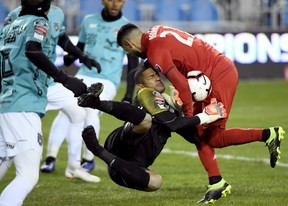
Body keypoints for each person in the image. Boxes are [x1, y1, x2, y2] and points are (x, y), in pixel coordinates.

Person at [116, 23, 285, 203]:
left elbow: (181, 84)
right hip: (206, 76)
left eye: (129, 52)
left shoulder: (155, 51)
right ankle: (218, 180)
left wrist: (189, 117)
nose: (132, 55)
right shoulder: (155, 32)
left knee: (211, 137)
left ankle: (261, 140)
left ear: (129, 44)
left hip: (216, 77)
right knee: (202, 136)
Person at [77, 63, 227, 193]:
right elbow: (172, 125)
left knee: (156, 182)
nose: (157, 78)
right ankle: (96, 104)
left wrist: (181, 112)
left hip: (129, 169)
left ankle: (98, 149)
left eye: (156, 75)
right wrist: (205, 116)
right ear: (141, 85)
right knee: (145, 120)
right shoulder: (146, 93)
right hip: (121, 144)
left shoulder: (168, 106)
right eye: (151, 77)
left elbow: (193, 137)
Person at [0, 0, 87, 205]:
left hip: (6, 102)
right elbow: (32, 49)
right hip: (24, 103)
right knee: (27, 176)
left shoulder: (9, 26)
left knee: (5, 160)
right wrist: (65, 79)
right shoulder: (40, 21)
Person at [40, 0, 139, 173]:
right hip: (83, 75)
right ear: (103, 1)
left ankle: (89, 159)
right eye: (111, 0)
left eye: (120, 0)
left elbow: (133, 64)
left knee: (91, 109)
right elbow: (80, 49)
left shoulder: (127, 28)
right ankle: (50, 158)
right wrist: (71, 57)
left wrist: (129, 94)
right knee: (66, 110)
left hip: (107, 80)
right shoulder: (89, 21)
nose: (116, 4)